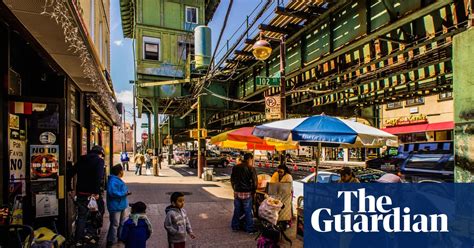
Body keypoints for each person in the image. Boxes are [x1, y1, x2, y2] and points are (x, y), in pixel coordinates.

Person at [71, 145, 105, 245]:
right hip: (92, 194)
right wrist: (97, 193)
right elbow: (98, 178)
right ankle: (90, 234)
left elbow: (70, 172)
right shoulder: (99, 161)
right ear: (100, 154)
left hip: (81, 192)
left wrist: (69, 188)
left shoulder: (82, 159)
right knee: (98, 211)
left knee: (82, 216)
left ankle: (78, 240)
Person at [230, 153, 258, 233]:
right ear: (250, 159)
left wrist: (234, 189)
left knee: (237, 210)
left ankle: (235, 226)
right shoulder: (251, 168)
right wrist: (253, 191)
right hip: (247, 193)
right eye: (252, 160)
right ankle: (249, 228)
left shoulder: (235, 167)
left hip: (237, 192)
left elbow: (232, 180)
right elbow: (255, 182)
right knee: (248, 211)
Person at [106, 164, 131, 247]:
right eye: (122, 170)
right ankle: (111, 240)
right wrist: (124, 193)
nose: (122, 172)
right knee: (115, 224)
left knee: (121, 223)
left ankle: (120, 237)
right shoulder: (113, 181)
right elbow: (112, 192)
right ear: (119, 172)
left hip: (121, 205)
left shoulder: (117, 179)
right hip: (115, 206)